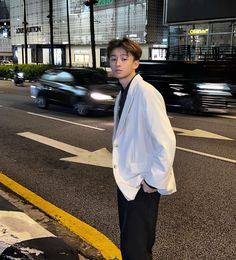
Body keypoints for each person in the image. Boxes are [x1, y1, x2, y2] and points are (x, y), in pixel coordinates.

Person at [107, 37, 177, 260]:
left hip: (142, 184)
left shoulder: (146, 93)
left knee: (136, 248)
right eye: (113, 58)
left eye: (124, 58)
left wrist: (153, 181)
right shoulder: (123, 94)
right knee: (130, 244)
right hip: (128, 181)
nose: (118, 63)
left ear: (136, 63)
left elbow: (166, 141)